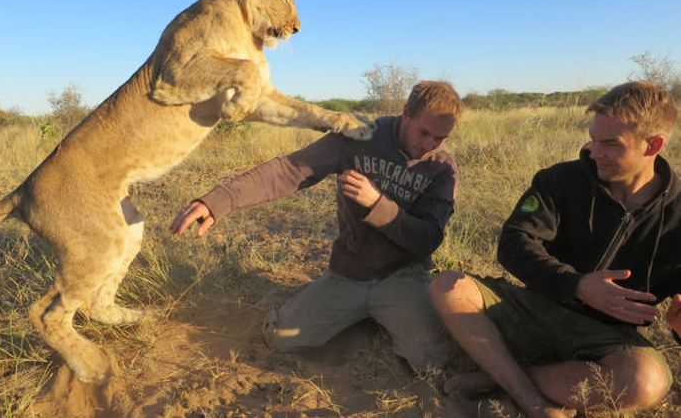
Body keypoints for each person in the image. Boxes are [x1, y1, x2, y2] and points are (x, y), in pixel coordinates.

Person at [430, 81, 681, 417]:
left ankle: (498, 378)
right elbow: (513, 243)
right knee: (448, 285)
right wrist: (575, 284)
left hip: (605, 336)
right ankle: (531, 399)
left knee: (646, 381)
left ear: (654, 145)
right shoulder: (559, 180)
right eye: (592, 138)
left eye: (609, 143)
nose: (594, 151)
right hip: (533, 306)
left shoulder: (678, 214)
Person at [171, 81, 462, 371]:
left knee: (432, 359)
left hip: (403, 276)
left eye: (440, 138)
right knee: (280, 338)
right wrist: (219, 201)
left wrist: (377, 204)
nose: (428, 145)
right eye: (423, 132)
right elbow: (290, 170)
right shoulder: (359, 134)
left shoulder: (441, 168)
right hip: (351, 272)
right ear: (406, 113)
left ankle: (386, 312)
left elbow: (428, 239)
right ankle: (364, 312)